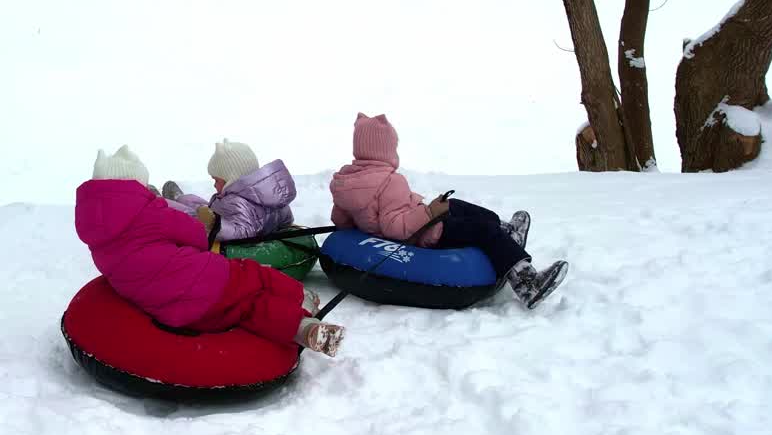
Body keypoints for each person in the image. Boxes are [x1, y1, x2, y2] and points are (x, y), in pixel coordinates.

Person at [76, 145, 344, 356]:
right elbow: (196, 237)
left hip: (171, 309)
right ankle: (301, 300)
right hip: (205, 277)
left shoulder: (96, 235)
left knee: (244, 309)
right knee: (252, 277)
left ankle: (303, 328)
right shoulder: (153, 214)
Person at [329, 114, 568, 309]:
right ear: (386, 149)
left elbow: (341, 220)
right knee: (483, 231)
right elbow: (396, 228)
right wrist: (431, 212)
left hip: (417, 221)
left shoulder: (346, 181)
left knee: (456, 206)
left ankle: (507, 231)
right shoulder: (391, 180)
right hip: (427, 235)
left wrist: (369, 223)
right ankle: (527, 283)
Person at [161, 139, 296, 242]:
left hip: (218, 225)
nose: (214, 185)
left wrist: (214, 224)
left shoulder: (236, 201)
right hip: (224, 215)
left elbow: (241, 232)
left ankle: (158, 202)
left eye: (217, 180)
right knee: (194, 202)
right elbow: (286, 219)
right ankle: (181, 198)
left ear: (231, 179)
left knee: (190, 214)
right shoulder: (271, 195)